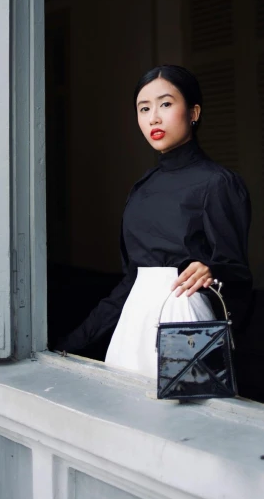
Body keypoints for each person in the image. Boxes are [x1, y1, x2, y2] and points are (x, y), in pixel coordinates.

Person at [55, 65, 252, 378]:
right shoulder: (142, 187)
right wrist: (72, 343)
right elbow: (131, 280)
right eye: (143, 108)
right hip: (134, 322)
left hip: (186, 321)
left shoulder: (218, 183)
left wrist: (213, 270)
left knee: (183, 418)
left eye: (166, 104)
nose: (153, 118)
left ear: (194, 112)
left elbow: (238, 275)